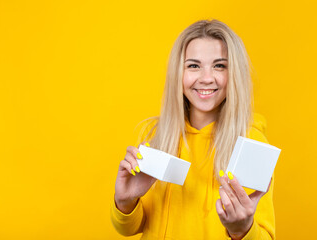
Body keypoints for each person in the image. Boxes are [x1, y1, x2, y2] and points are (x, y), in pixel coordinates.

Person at [110, 19, 275, 240]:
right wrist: (124, 201)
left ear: (234, 73)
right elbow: (130, 228)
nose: (206, 78)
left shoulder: (252, 144)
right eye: (193, 65)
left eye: (219, 65)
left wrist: (242, 229)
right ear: (178, 72)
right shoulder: (156, 135)